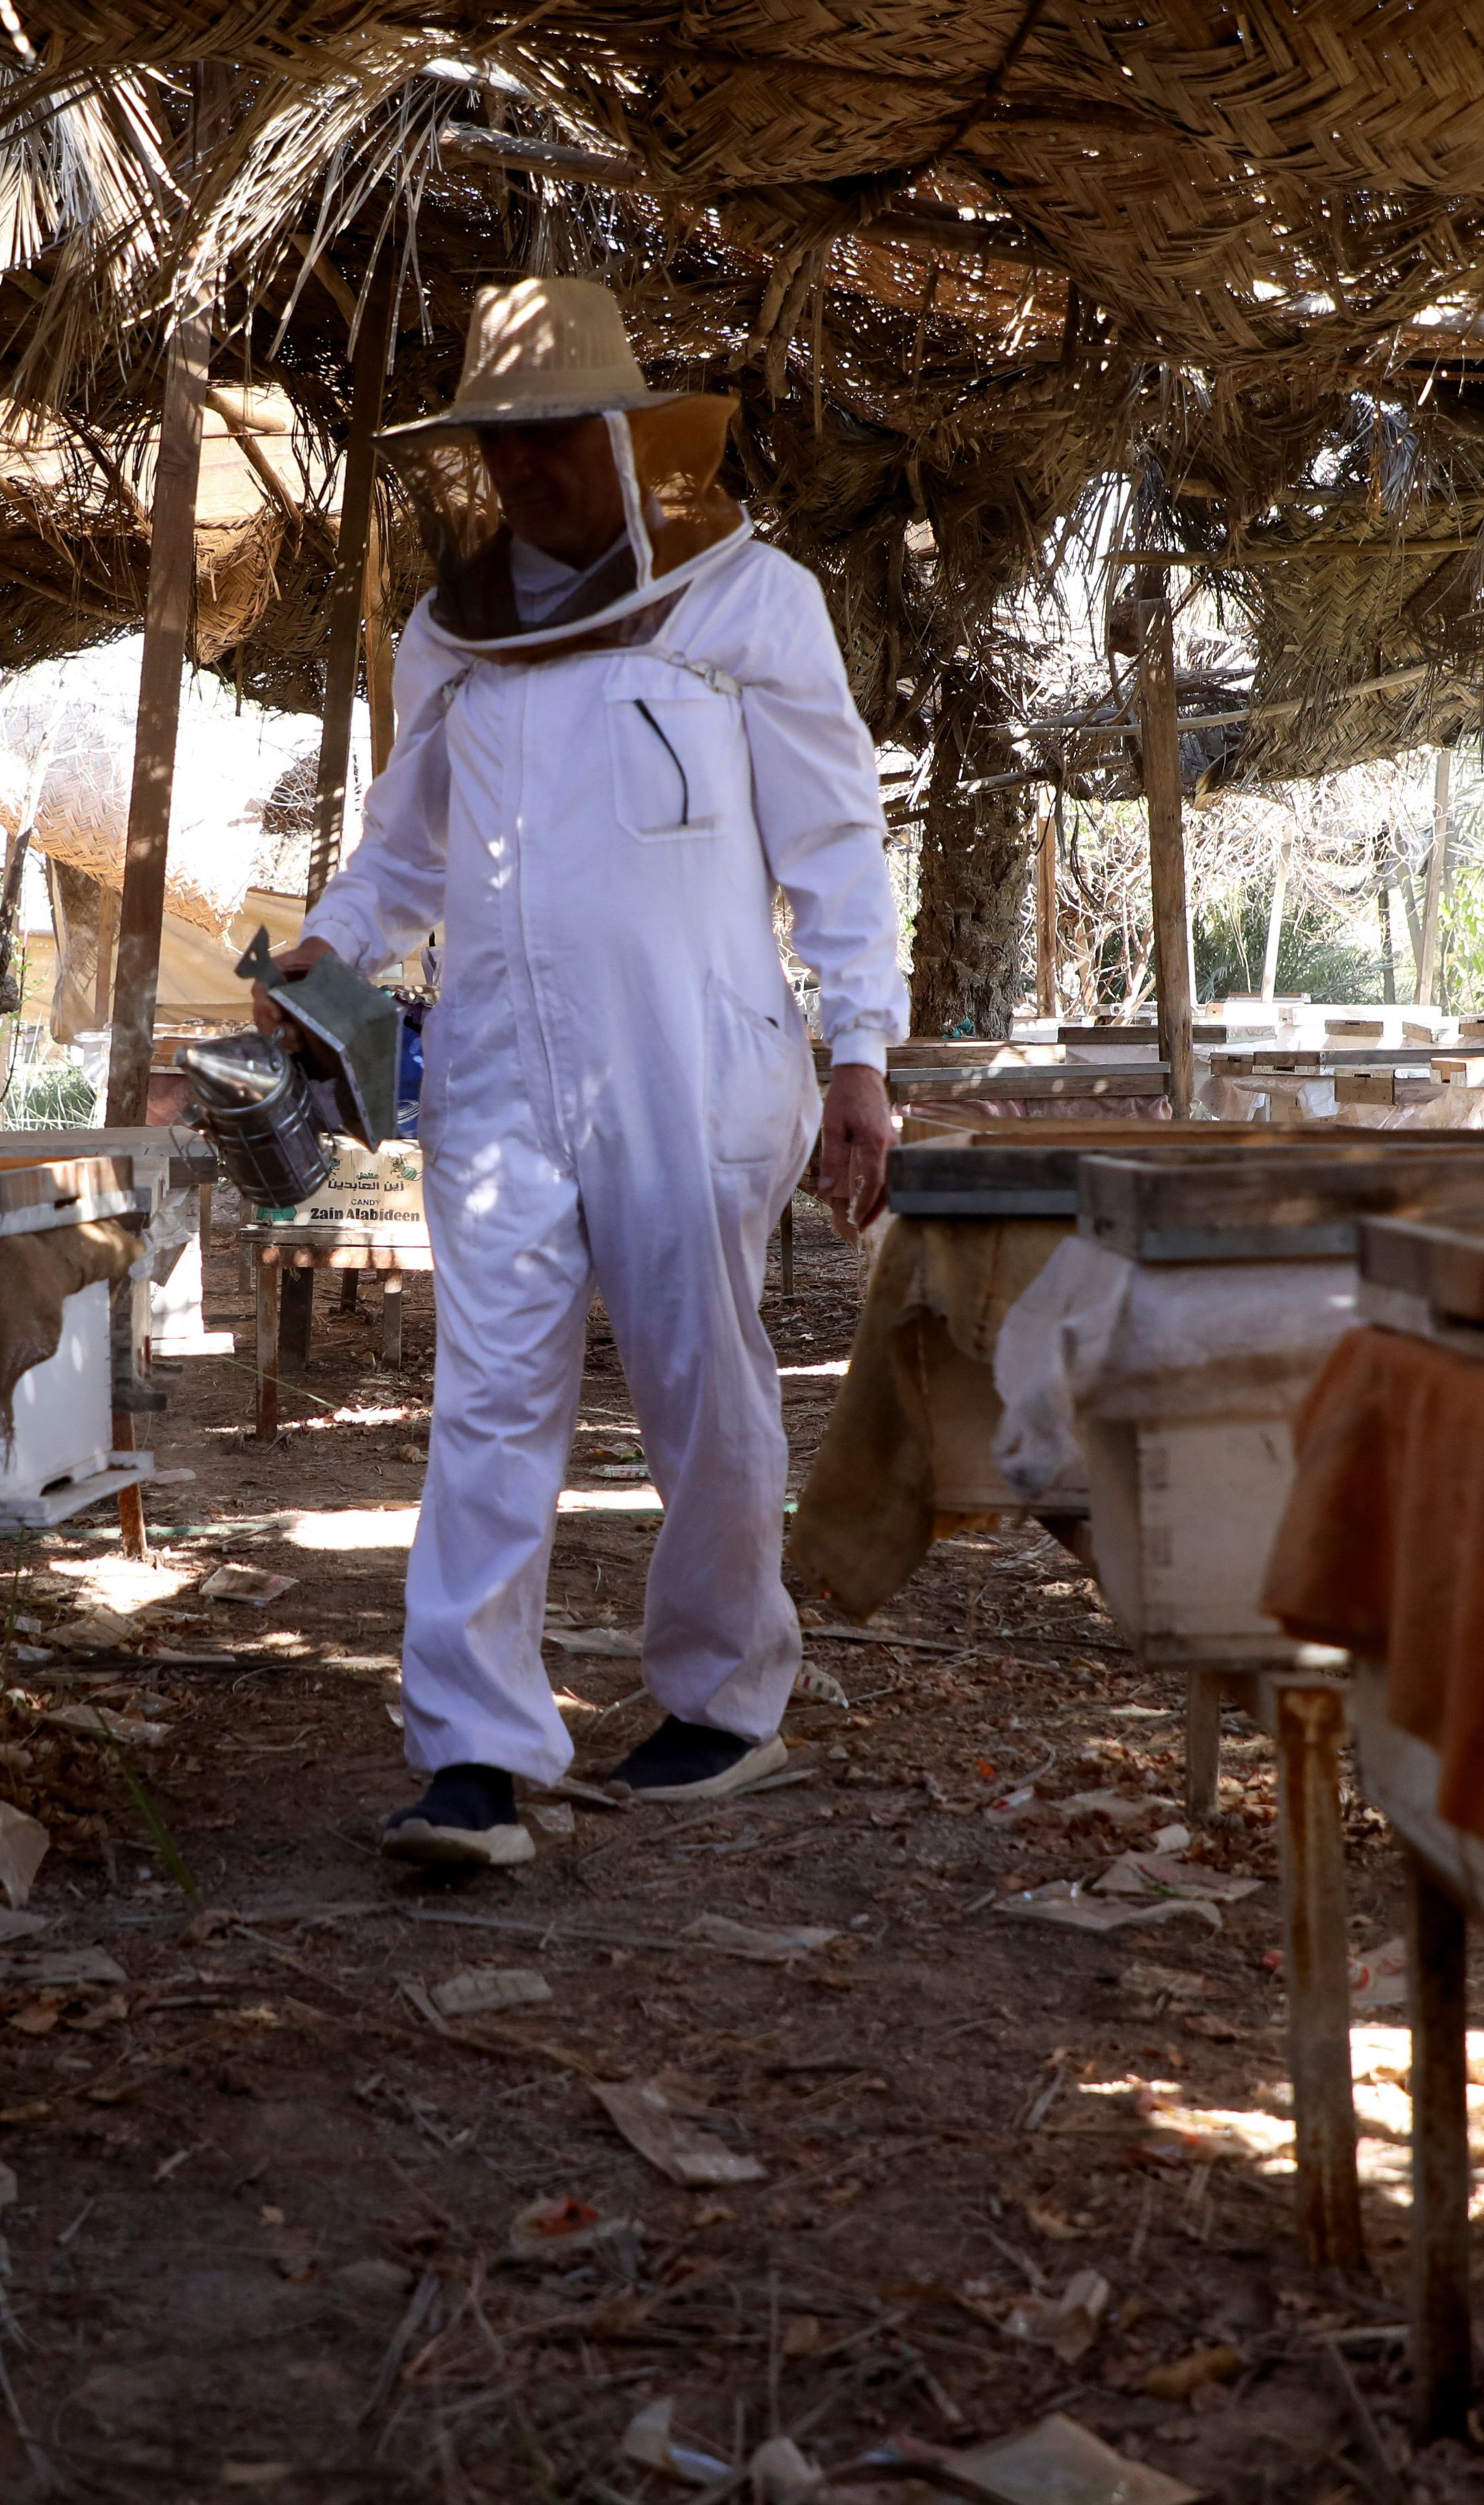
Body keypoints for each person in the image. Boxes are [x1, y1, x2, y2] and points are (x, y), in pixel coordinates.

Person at [258, 276, 905, 1869]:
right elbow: (403, 850)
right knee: (486, 1404)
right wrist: (323, 952)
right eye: (497, 442)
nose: (519, 467)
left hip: (696, 1059)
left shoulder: (751, 603)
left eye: (547, 436)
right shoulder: (449, 632)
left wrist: (861, 1055)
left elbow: (834, 842)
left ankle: (726, 1702)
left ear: (626, 438)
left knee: (702, 1389)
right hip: (494, 1073)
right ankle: (475, 1755)